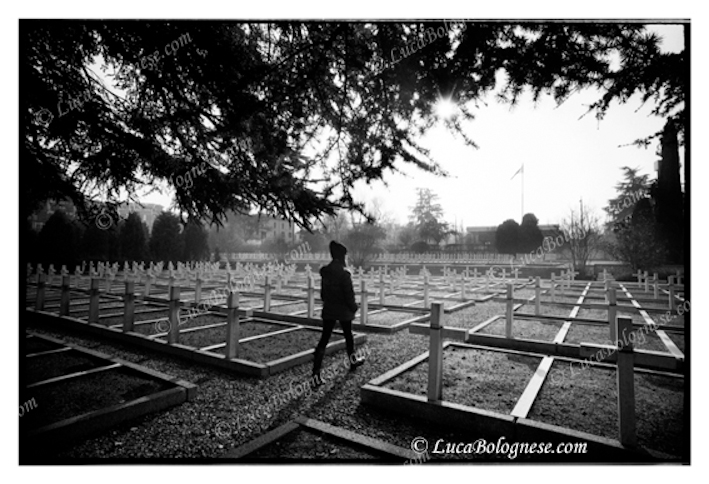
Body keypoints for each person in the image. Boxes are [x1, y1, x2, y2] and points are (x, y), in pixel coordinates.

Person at [312, 241, 364, 386]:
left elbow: (323, 294)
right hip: (343, 310)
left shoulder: (326, 272)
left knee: (324, 339)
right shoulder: (344, 274)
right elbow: (349, 295)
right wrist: (354, 307)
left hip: (329, 309)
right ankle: (352, 362)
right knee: (348, 336)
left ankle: (315, 373)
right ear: (342, 256)